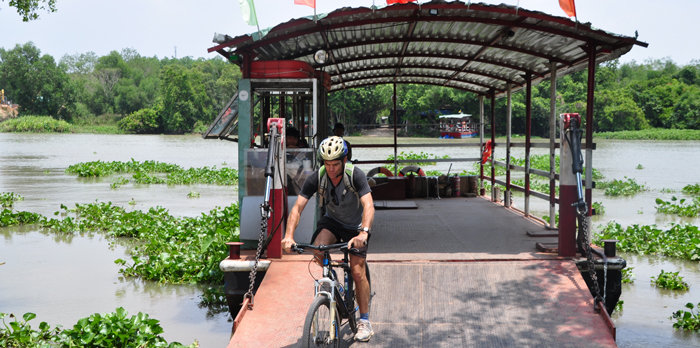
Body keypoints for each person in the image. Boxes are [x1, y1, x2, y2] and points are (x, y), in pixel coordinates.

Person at [282, 136, 375, 342]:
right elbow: (297, 209)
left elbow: (368, 205)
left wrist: (364, 233)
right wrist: (288, 236)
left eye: (335, 164)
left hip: (355, 226)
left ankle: (365, 321)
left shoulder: (355, 175)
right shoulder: (317, 177)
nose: (331, 169)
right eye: (327, 164)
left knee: (358, 271)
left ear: (344, 160)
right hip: (332, 221)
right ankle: (337, 285)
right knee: (317, 248)